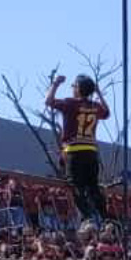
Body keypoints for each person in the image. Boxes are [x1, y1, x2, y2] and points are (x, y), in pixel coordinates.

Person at [45, 73, 110, 222]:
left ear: (78, 89)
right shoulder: (95, 106)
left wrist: (55, 84)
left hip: (74, 151)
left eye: (74, 85)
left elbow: (49, 101)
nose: (72, 88)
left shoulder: (70, 103)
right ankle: (105, 216)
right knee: (93, 186)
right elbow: (107, 113)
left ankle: (87, 217)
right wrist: (98, 93)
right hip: (91, 151)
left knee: (75, 184)